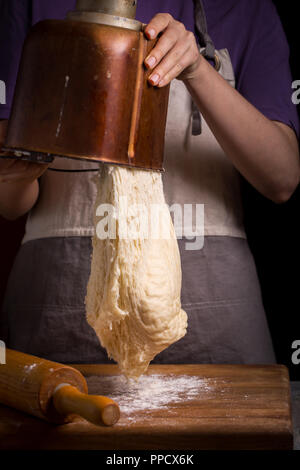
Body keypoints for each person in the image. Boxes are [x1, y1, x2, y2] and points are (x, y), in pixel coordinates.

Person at [0, 0, 299, 364]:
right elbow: (10, 202)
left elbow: (281, 179)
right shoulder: (29, 6)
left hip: (216, 323)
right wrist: (16, 169)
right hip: (57, 318)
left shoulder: (243, 9)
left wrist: (197, 71)